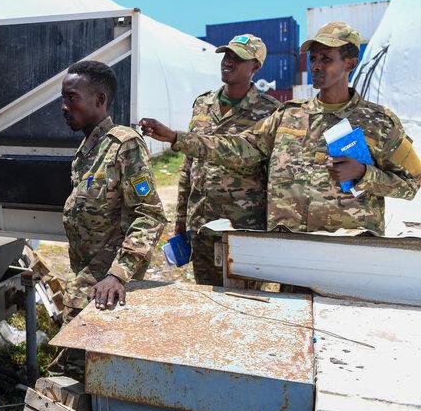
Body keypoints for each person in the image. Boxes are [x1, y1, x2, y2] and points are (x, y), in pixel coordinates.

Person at [140, 22, 421, 235]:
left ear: (350, 63)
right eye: (313, 59)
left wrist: (363, 174)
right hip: (289, 250)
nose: (316, 66)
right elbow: (242, 147)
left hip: (350, 253)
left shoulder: (379, 122)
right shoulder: (289, 115)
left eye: (326, 58)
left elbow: (413, 183)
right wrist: (177, 138)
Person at [61, 60, 166, 321]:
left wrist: (117, 274)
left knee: (78, 353)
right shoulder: (88, 148)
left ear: (99, 99)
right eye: (63, 98)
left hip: (106, 281)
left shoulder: (124, 146)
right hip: (85, 272)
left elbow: (150, 215)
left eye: (72, 98)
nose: (64, 107)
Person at [175, 34, 281, 285]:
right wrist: (180, 219)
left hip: (243, 230)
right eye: (227, 55)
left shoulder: (271, 112)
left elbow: (275, 176)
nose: (228, 62)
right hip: (201, 225)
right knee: (207, 298)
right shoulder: (203, 104)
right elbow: (189, 165)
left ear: (255, 66)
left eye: (238, 58)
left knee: (246, 302)